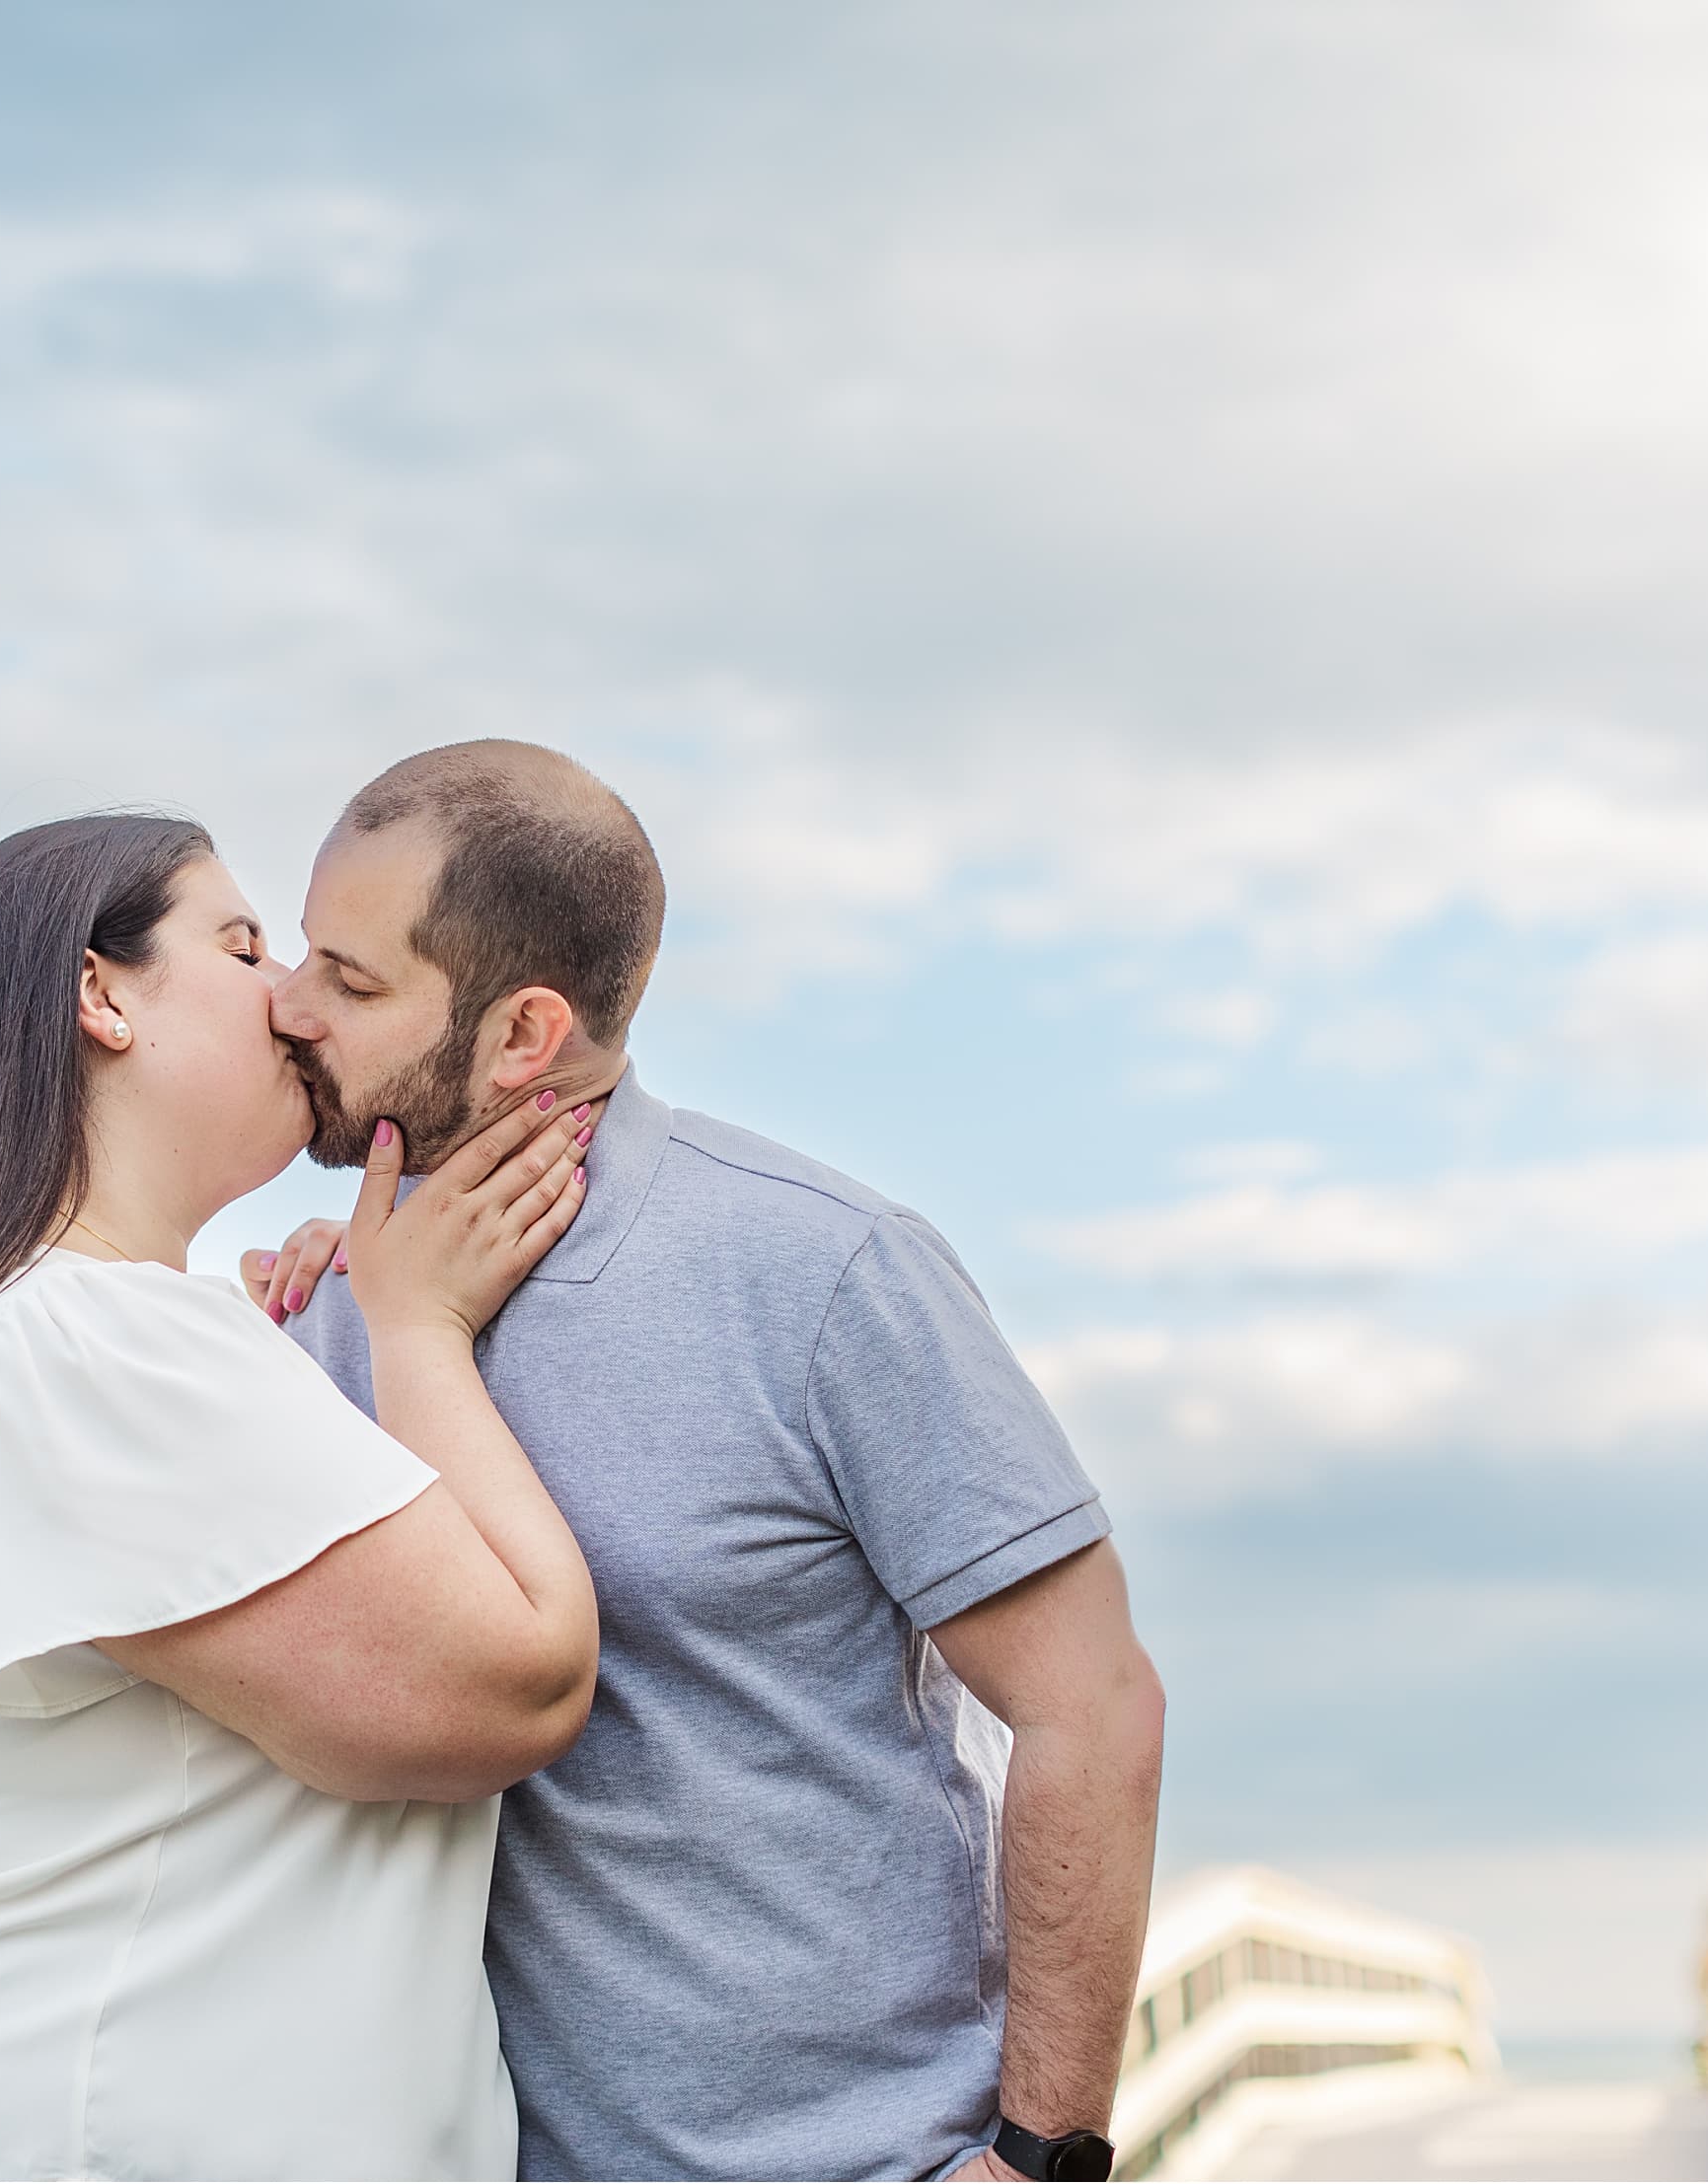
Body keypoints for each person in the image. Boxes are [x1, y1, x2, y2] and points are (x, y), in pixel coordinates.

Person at [249, 743, 1167, 2184]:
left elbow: (1091, 1707)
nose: (286, 1005)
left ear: (520, 1033)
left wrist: (1038, 2155)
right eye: (301, 950)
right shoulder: (321, 1315)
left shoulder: (821, 1269)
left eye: (350, 981)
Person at [0, 813, 601, 2182]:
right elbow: (509, 1684)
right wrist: (417, 1330)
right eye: (241, 945)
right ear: (100, 993)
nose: (288, 996)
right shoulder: (89, 1346)